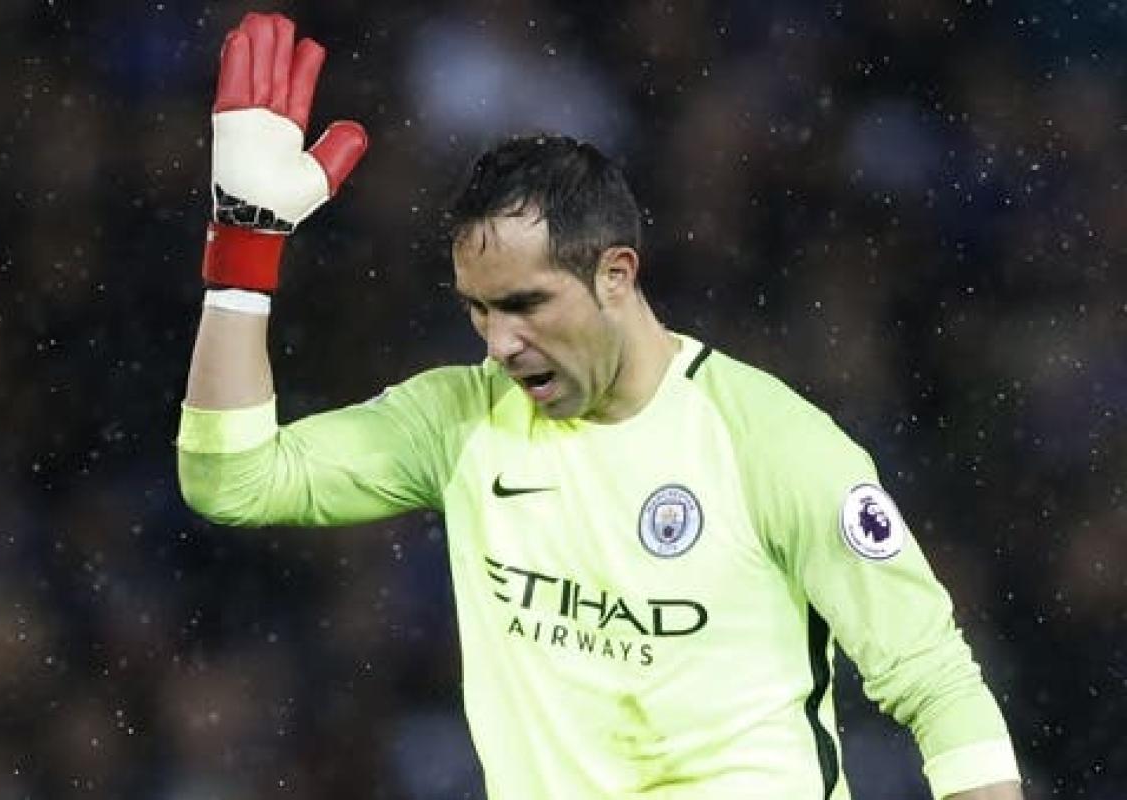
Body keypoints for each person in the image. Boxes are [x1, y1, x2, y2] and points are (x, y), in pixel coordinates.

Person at [176, 12, 1024, 799]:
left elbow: (937, 682)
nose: (499, 342)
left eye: (525, 305)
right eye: (478, 310)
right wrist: (244, 251)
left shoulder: (772, 442)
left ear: (616, 274)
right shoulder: (458, 424)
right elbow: (233, 480)